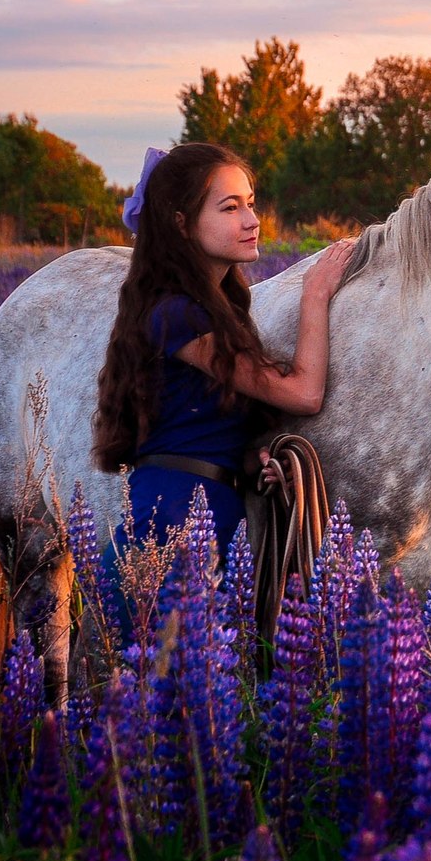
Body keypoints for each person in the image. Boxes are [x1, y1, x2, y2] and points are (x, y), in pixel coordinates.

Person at [92, 142, 354, 623]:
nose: (252, 219)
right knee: (171, 692)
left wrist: (256, 464)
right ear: (181, 223)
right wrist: (315, 295)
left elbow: (202, 431)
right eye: (230, 207)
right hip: (168, 533)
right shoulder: (176, 314)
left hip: (207, 523)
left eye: (251, 203)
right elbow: (303, 392)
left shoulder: (216, 311)